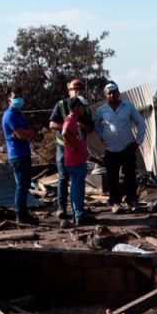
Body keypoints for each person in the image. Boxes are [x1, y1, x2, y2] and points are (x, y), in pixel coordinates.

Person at [92, 82, 147, 213]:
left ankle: (132, 199)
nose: (113, 95)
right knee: (112, 177)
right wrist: (102, 137)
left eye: (115, 92)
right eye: (109, 93)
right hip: (111, 149)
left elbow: (140, 122)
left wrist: (138, 141)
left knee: (130, 175)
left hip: (128, 147)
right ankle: (115, 202)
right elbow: (96, 124)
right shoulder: (102, 110)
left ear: (118, 92)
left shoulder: (128, 107)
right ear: (105, 95)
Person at [50, 78, 91, 220]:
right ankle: (63, 207)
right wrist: (72, 132)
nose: (77, 91)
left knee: (77, 182)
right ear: (69, 90)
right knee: (64, 177)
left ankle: (78, 209)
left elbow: (90, 127)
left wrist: (82, 128)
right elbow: (53, 124)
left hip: (79, 148)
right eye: (75, 88)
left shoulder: (85, 108)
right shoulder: (61, 105)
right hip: (64, 147)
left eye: (80, 89)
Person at [1, 87, 38, 225]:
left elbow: (31, 133)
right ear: (9, 99)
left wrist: (24, 133)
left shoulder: (19, 114)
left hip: (25, 153)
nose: (18, 99)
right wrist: (24, 133)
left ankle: (24, 213)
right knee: (21, 186)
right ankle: (20, 215)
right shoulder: (9, 115)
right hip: (17, 155)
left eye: (20, 96)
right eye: (15, 96)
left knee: (25, 185)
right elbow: (22, 135)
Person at [61, 96, 93, 227]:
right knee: (77, 189)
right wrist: (73, 145)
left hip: (78, 160)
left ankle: (78, 214)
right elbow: (64, 132)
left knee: (77, 188)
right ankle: (79, 215)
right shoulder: (69, 121)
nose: (83, 109)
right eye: (81, 107)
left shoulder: (74, 121)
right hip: (75, 161)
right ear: (75, 108)